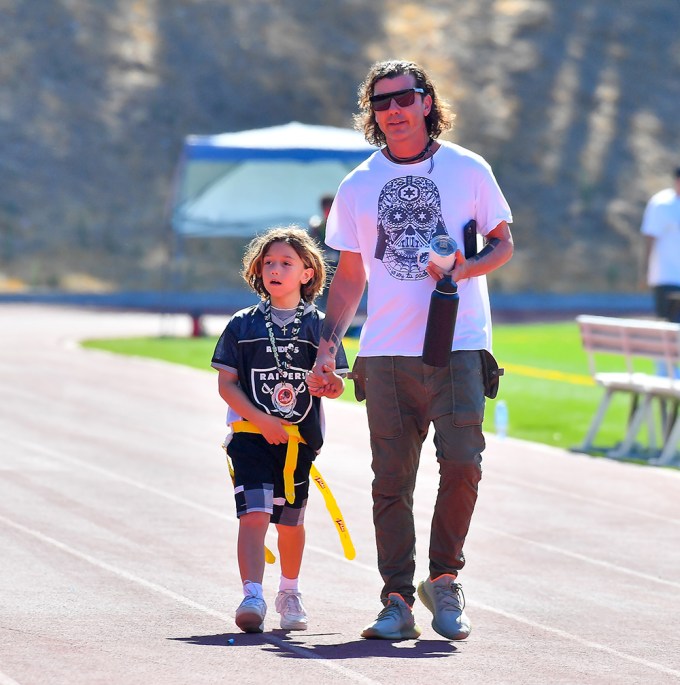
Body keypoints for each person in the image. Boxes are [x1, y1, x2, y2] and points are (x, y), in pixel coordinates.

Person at [308, 59, 514, 641]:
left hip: (459, 343)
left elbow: (503, 242)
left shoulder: (468, 169)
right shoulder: (357, 184)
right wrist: (329, 346)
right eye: (381, 102)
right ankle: (396, 597)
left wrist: (462, 271)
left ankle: (443, 579)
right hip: (386, 351)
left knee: (463, 464)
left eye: (403, 98)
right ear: (372, 113)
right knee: (391, 479)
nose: (393, 110)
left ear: (426, 102)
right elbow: (349, 277)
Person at [211, 226, 348, 634]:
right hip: (251, 436)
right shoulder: (242, 324)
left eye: (286, 263)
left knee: (290, 521)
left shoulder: (322, 328)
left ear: (307, 273)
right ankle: (252, 594)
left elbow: (336, 383)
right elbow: (226, 384)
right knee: (253, 515)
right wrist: (261, 420)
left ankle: (289, 591)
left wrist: (332, 384)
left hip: (298, 441)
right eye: (268, 262)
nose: (275, 269)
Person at [641, 167, 680, 322]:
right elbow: (649, 238)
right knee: (670, 326)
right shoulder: (662, 204)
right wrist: (645, 271)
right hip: (667, 276)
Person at [309, 194, 341, 272]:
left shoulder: (343, 228)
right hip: (324, 268)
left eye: (330, 209)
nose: (328, 213)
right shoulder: (317, 229)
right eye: (326, 209)